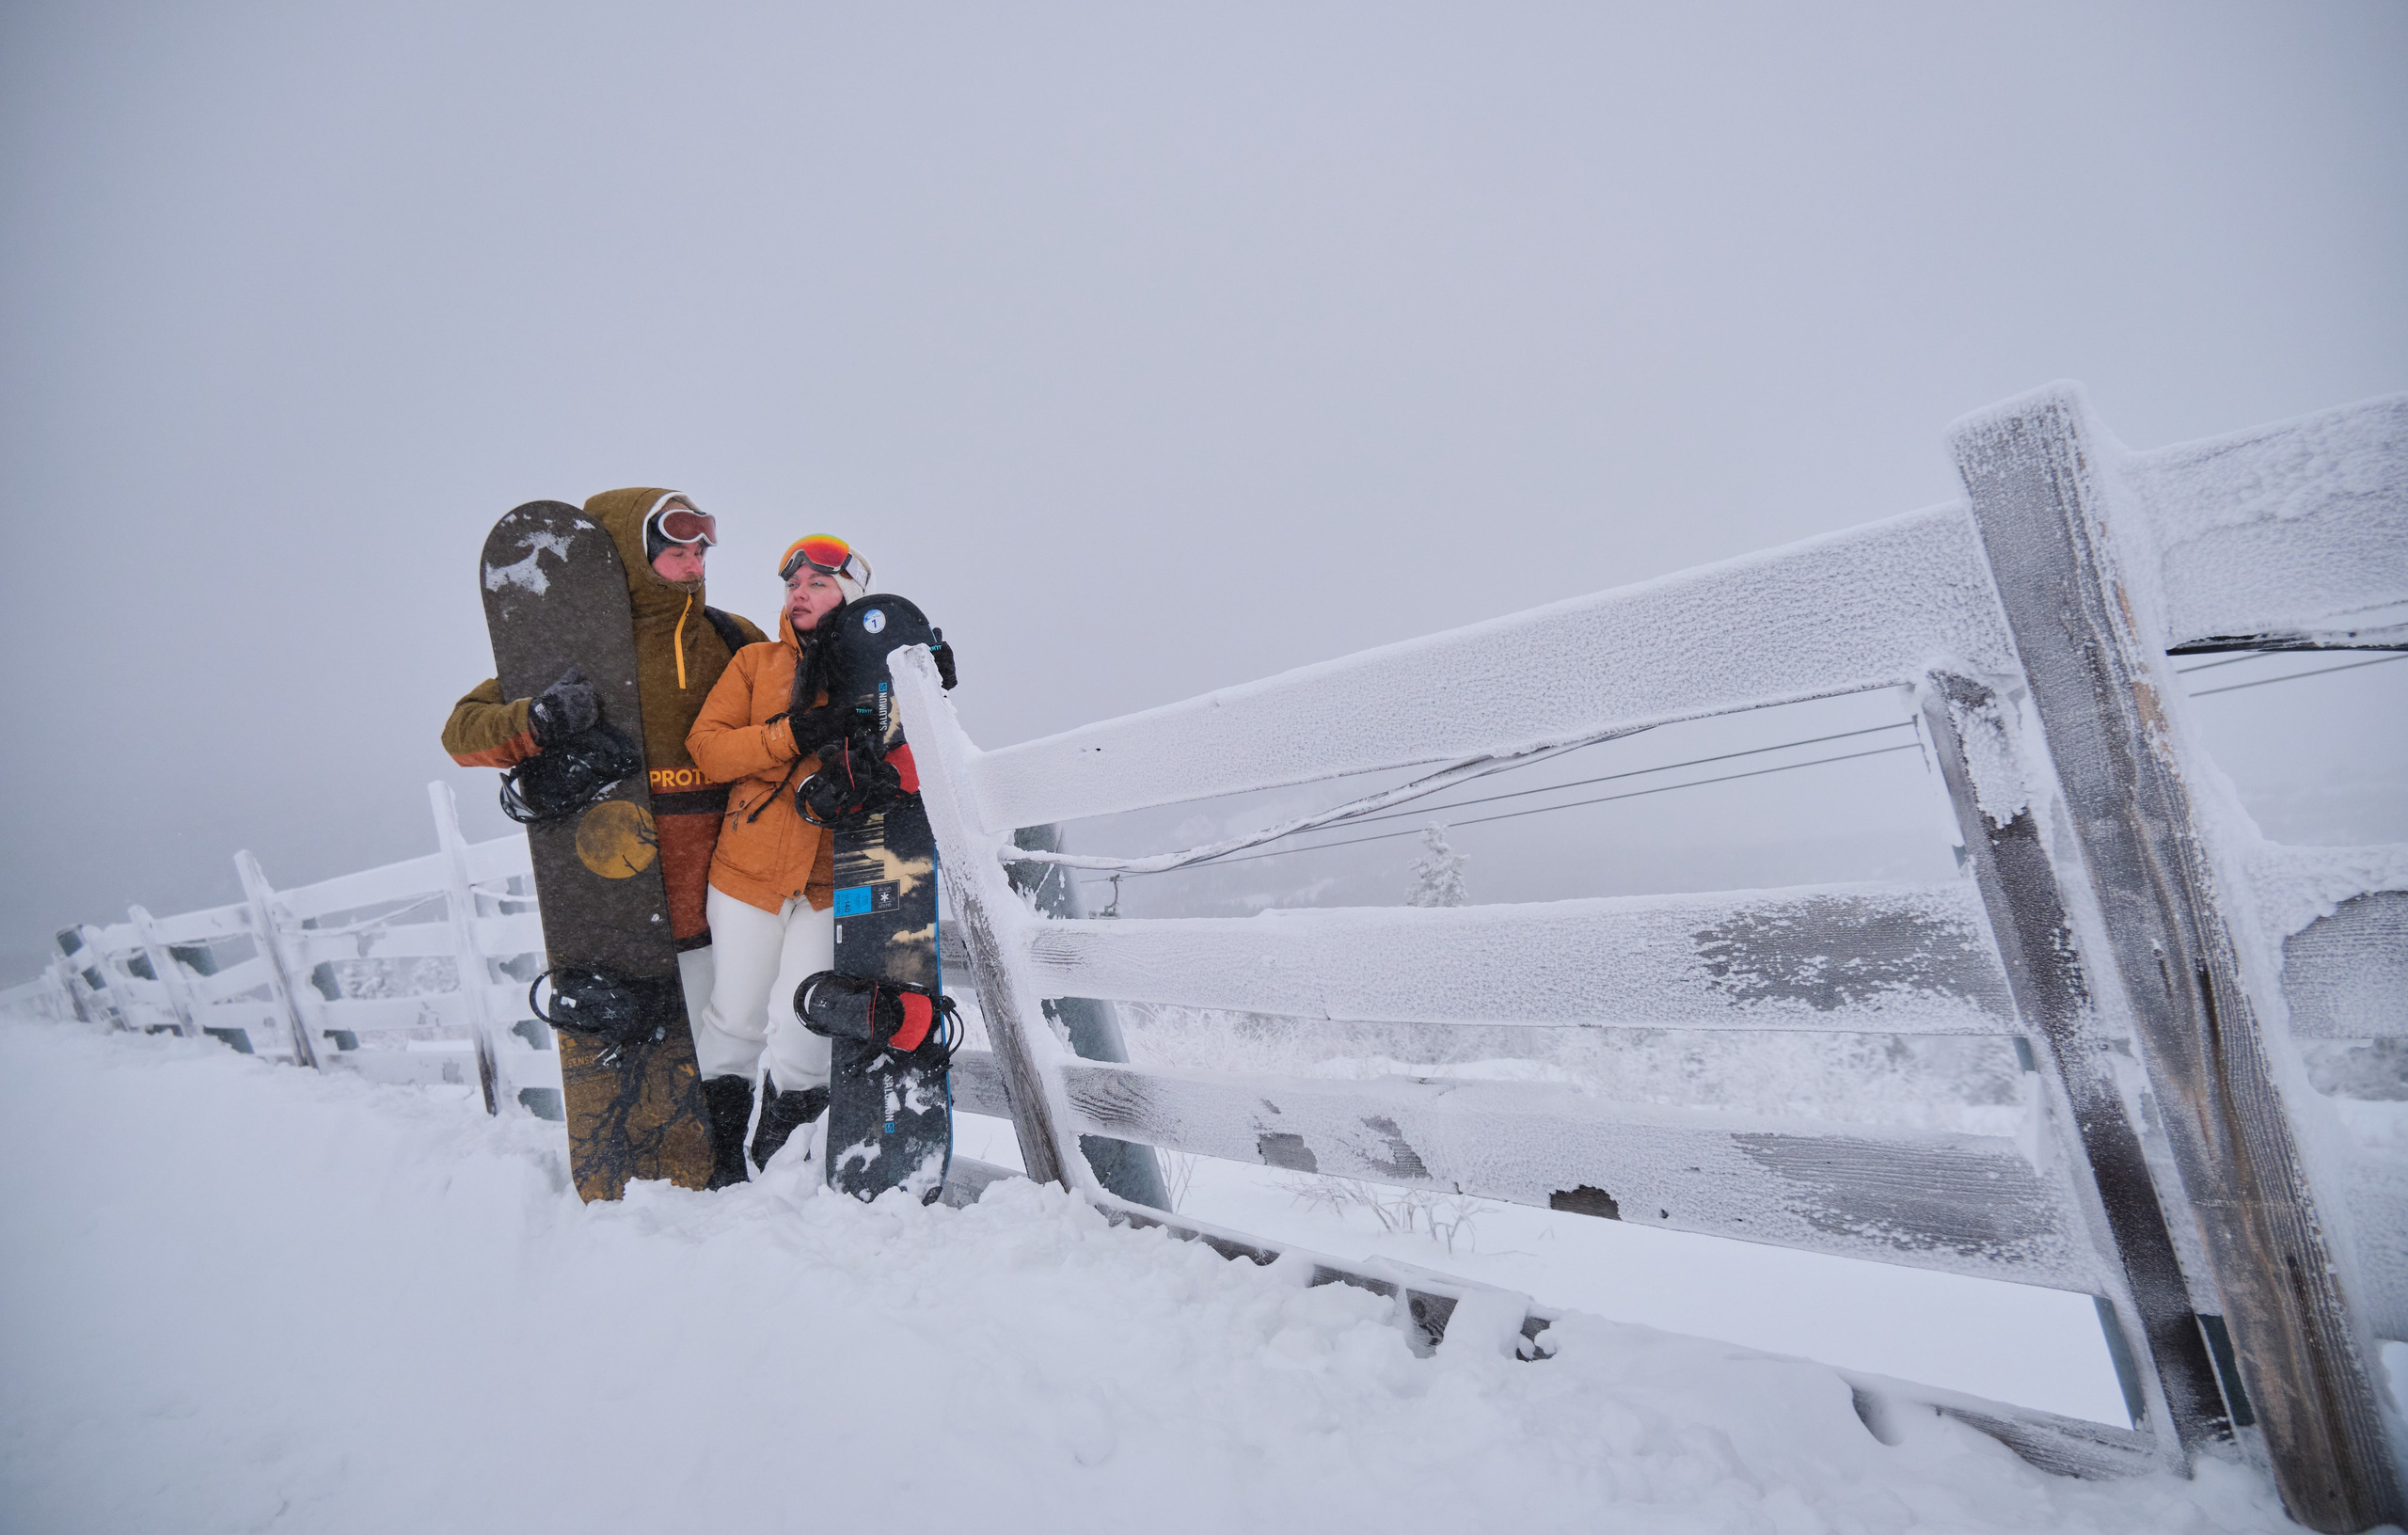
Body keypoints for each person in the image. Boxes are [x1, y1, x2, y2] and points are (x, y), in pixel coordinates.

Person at [441, 489, 769, 1179]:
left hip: (732, 882)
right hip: (629, 887)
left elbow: (798, 690)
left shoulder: (734, 637)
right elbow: (462, 734)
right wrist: (539, 720)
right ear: (629, 554)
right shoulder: (582, 646)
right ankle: (654, 1167)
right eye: (675, 547)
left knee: (733, 1034)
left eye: (701, 545)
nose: (694, 559)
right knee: (657, 1033)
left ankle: (732, 1165)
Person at [683, 534, 879, 1180]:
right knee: (734, 1020)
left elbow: (910, 764)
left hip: (829, 883)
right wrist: (789, 735)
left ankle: (781, 1166)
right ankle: (717, 1164)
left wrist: (929, 680)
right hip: (747, 876)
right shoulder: (755, 664)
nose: (799, 594)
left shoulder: (879, 669)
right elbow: (708, 749)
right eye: (793, 584)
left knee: (805, 1032)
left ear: (849, 595)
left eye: (817, 584)